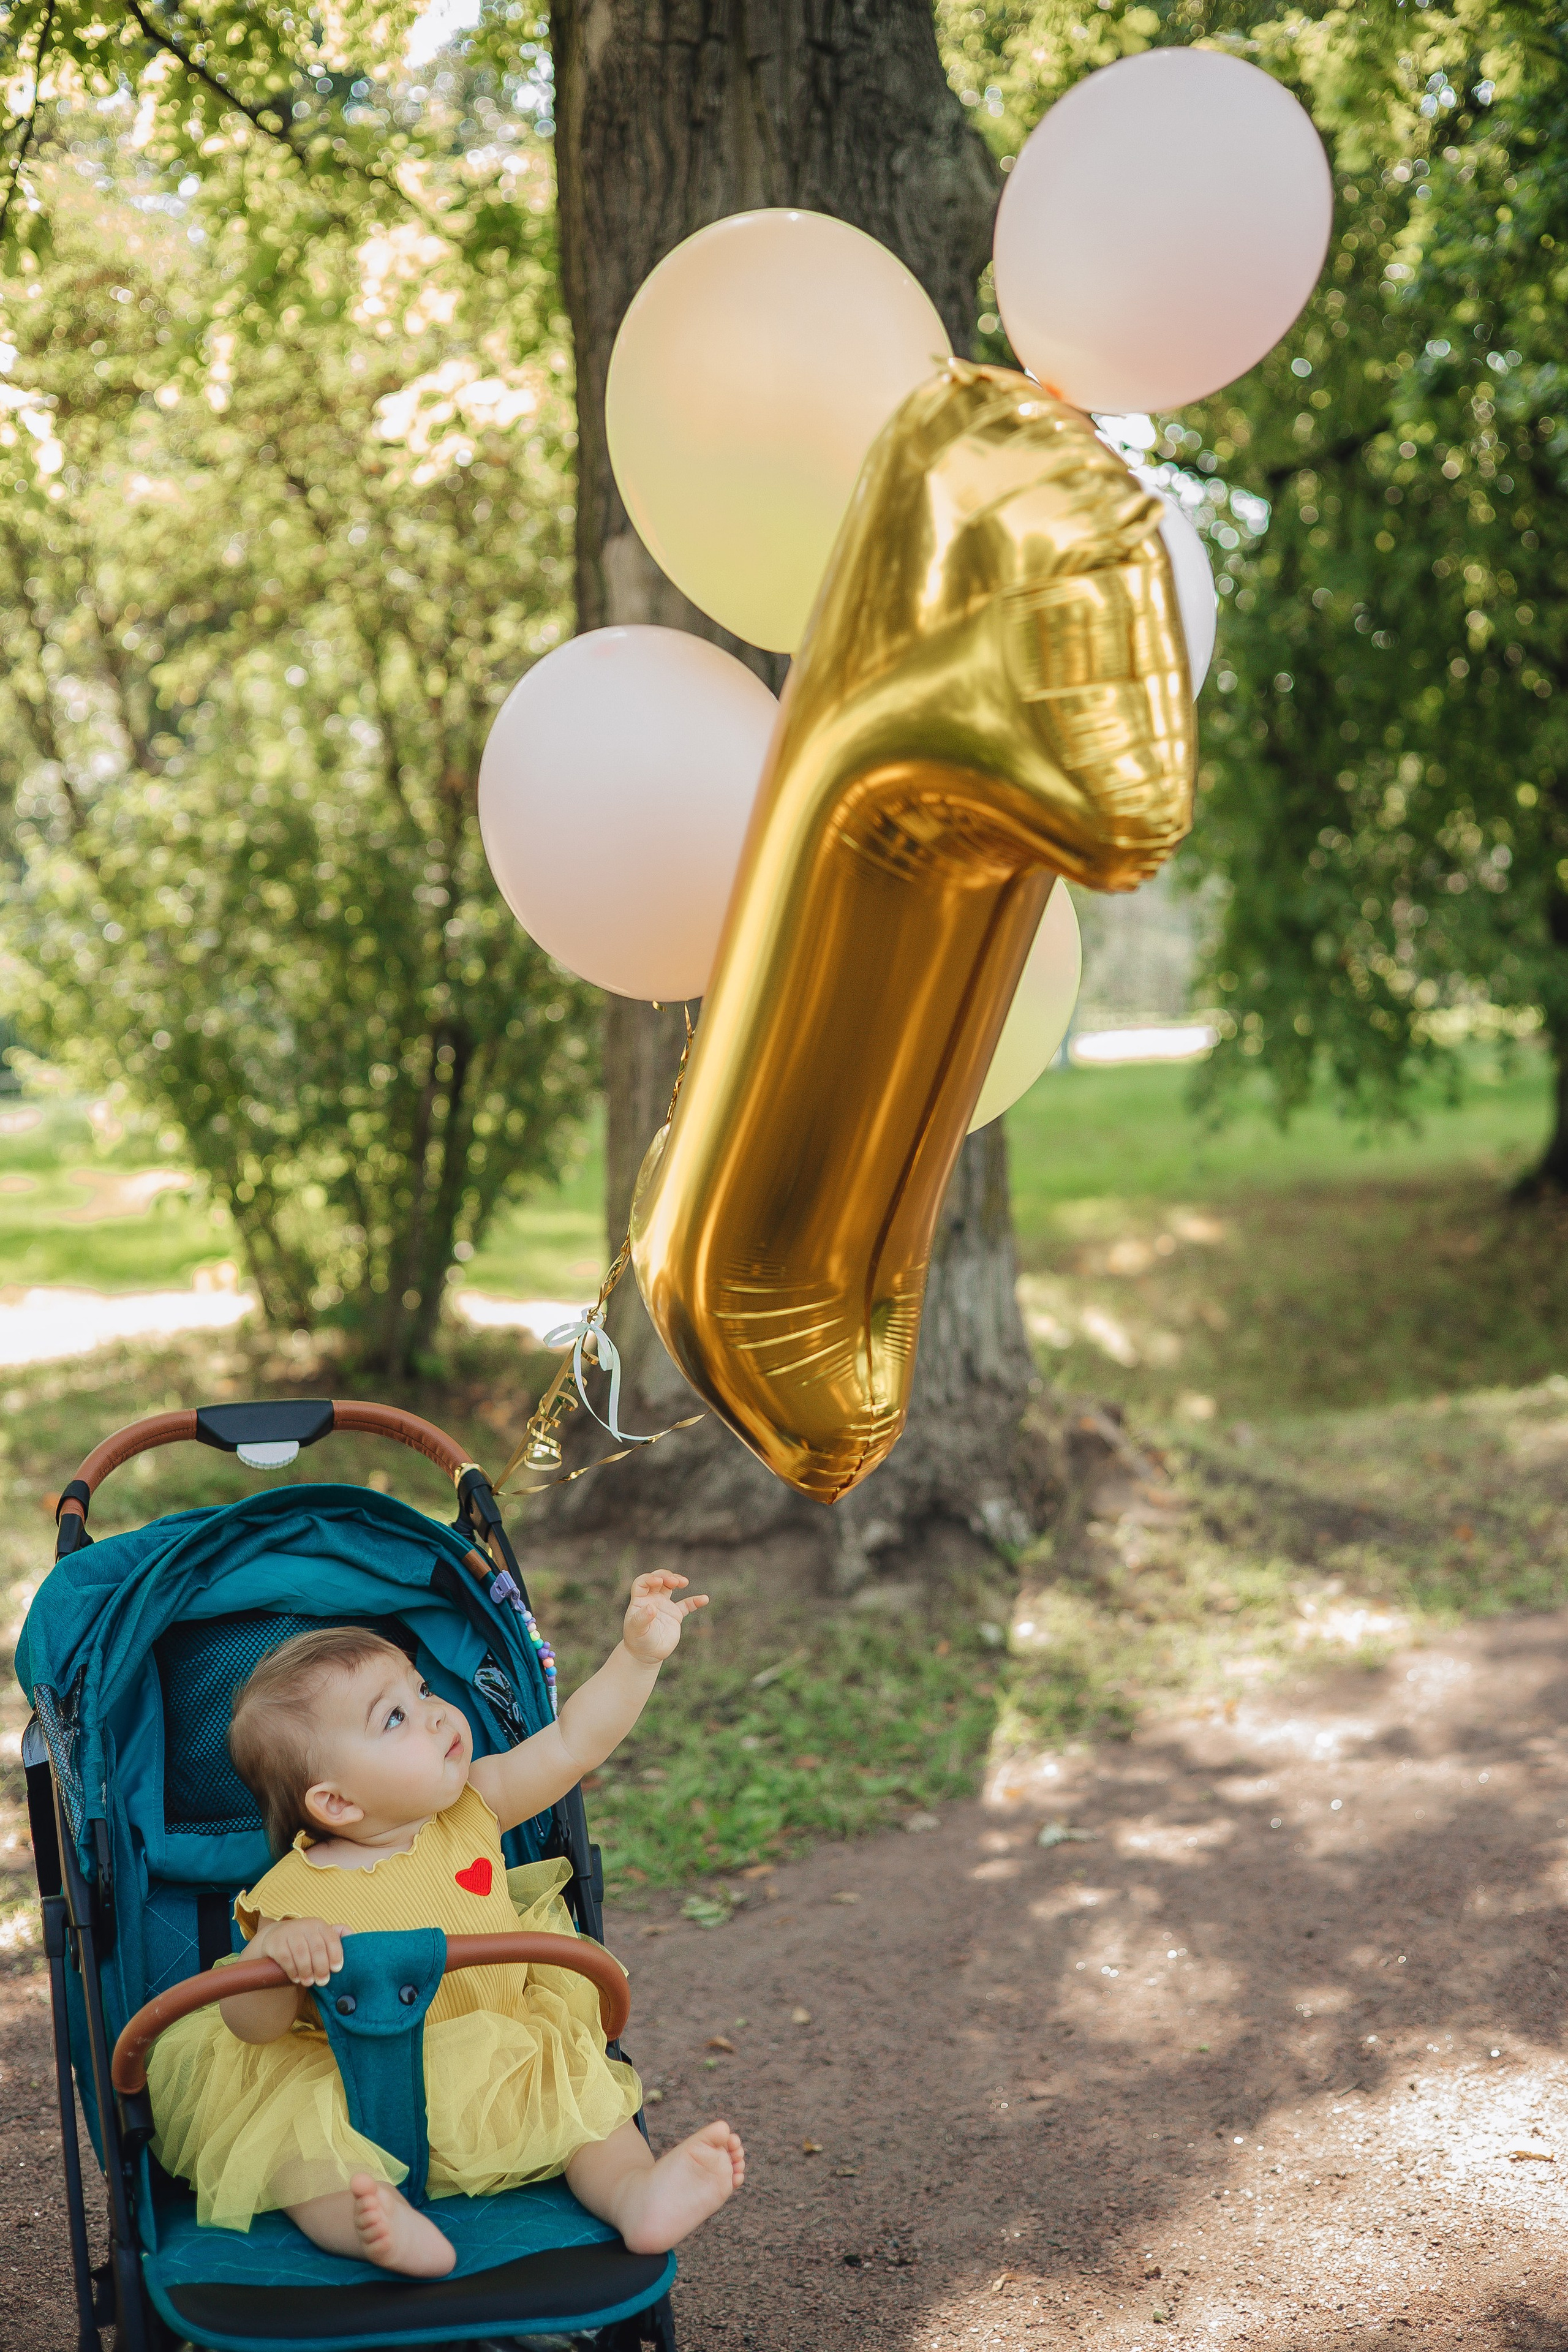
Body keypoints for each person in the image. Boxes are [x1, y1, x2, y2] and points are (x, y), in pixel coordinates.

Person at [148, 1573, 744, 2278]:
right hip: (357, 2088)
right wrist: (277, 1956)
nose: (435, 1713)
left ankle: (638, 2195)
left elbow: (574, 1745)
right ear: (335, 1802)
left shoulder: (474, 1806)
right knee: (298, 2151)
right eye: (394, 1718)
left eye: (423, 1690)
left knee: (587, 2105)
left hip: (507, 2061)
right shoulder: (293, 1893)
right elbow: (253, 2027)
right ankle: (373, 2229)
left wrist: (638, 1656)